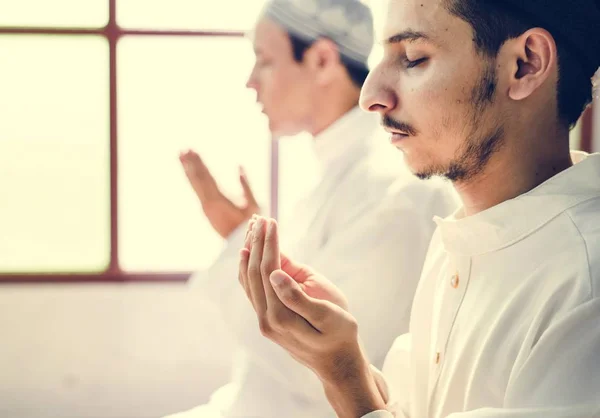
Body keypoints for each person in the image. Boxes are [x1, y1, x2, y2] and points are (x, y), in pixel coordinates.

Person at [239, 0, 600, 417]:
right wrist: (343, 363)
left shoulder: (586, 282)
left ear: (525, 64)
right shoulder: (458, 239)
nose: (370, 96)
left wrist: (342, 372)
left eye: (413, 59)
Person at [166, 0, 458, 417]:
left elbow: (324, 375)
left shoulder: (397, 192)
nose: (251, 81)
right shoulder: (332, 176)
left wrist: (237, 240)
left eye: (264, 60)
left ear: (322, 60)